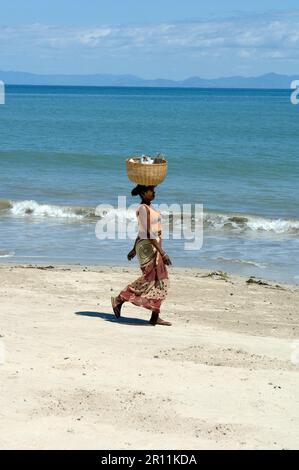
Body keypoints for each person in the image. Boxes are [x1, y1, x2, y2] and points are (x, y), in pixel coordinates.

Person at [111, 184, 172, 326]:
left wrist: (133, 249)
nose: (154, 193)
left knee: (160, 281)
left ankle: (154, 316)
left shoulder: (149, 208)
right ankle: (120, 298)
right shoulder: (143, 209)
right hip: (149, 248)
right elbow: (148, 233)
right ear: (144, 193)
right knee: (150, 279)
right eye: (152, 191)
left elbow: (142, 232)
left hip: (151, 246)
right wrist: (163, 253)